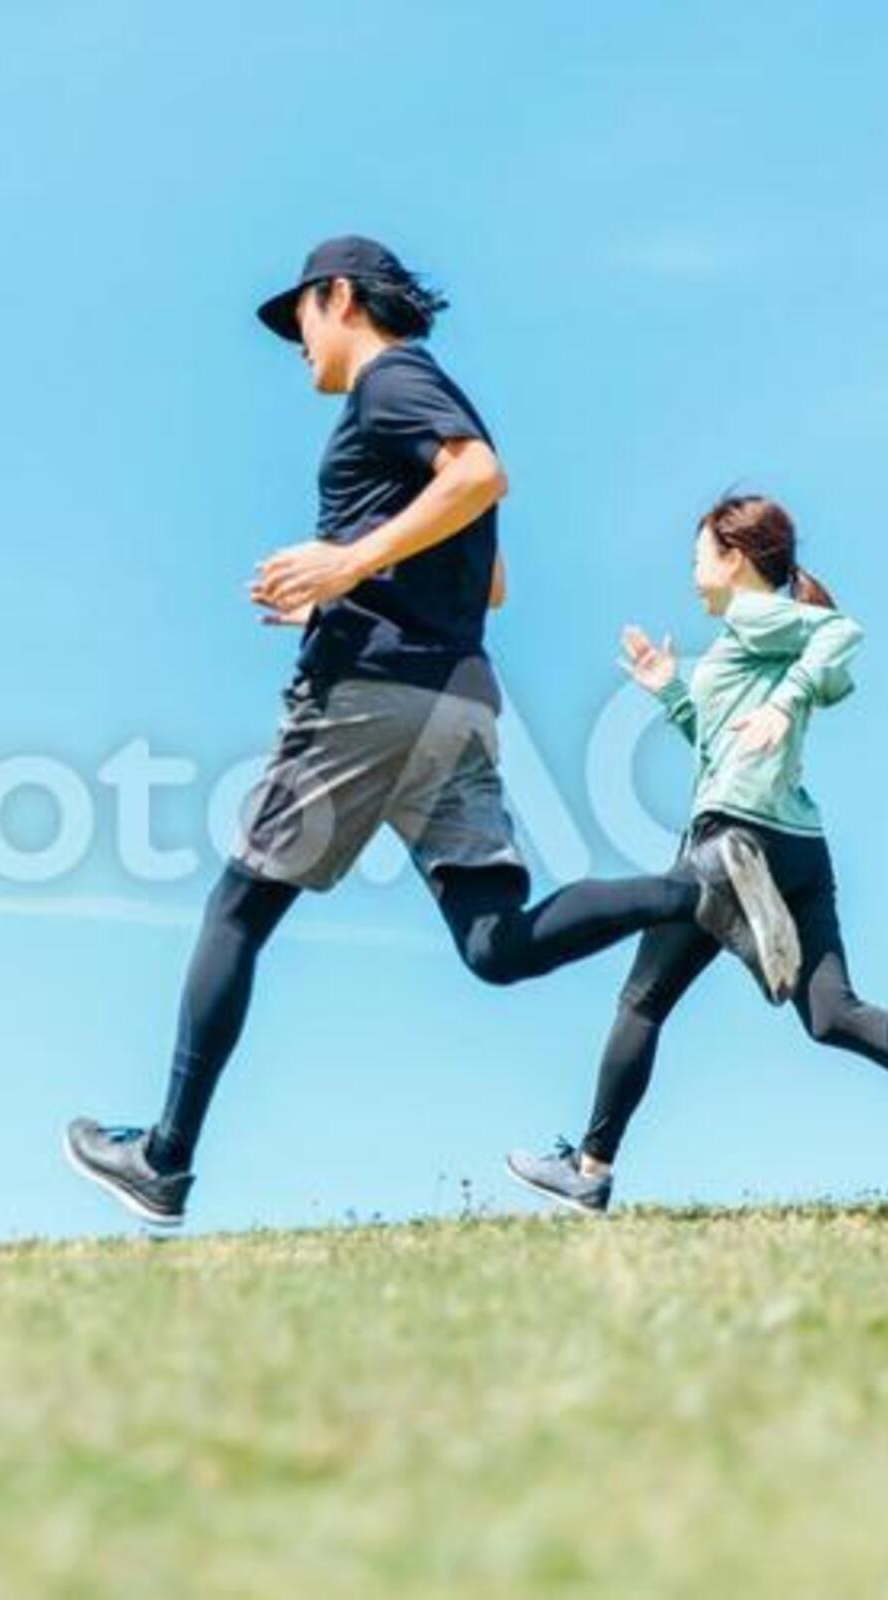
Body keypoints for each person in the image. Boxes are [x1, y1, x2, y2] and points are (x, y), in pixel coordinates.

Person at [63, 237, 800, 1229]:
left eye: (302, 319)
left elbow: (479, 475)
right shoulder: (425, 401)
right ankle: (699, 885)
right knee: (495, 944)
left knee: (237, 908)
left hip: (369, 694)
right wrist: (348, 580)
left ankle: (164, 1157)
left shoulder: (392, 382)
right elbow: (486, 575)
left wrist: (340, 568)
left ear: (341, 299)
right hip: (454, 695)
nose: (296, 345)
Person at [506, 495, 888, 1214]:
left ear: (733, 557)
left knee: (642, 999)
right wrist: (671, 693)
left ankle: (590, 1168)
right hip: (798, 845)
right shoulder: (747, 642)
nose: (691, 577)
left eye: (697, 559)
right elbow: (723, 747)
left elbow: (844, 631)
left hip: (735, 835)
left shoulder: (758, 617)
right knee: (830, 1011)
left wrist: (785, 706)